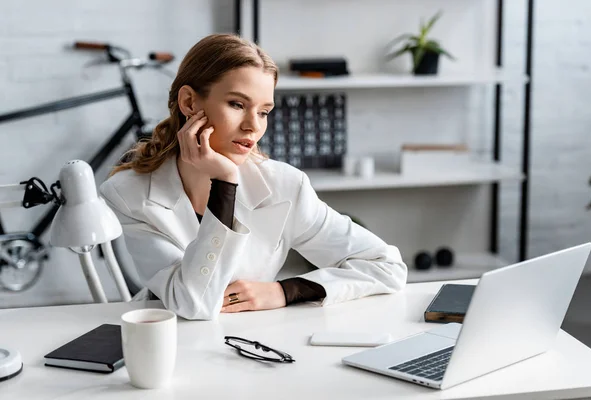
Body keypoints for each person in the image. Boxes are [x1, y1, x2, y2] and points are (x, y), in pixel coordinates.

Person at [100, 33, 407, 320]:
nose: (253, 126)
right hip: (166, 347)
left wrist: (287, 290)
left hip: (254, 347)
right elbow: (194, 302)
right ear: (190, 103)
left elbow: (387, 266)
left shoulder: (285, 187)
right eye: (237, 104)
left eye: (263, 111)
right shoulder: (129, 194)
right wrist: (225, 182)